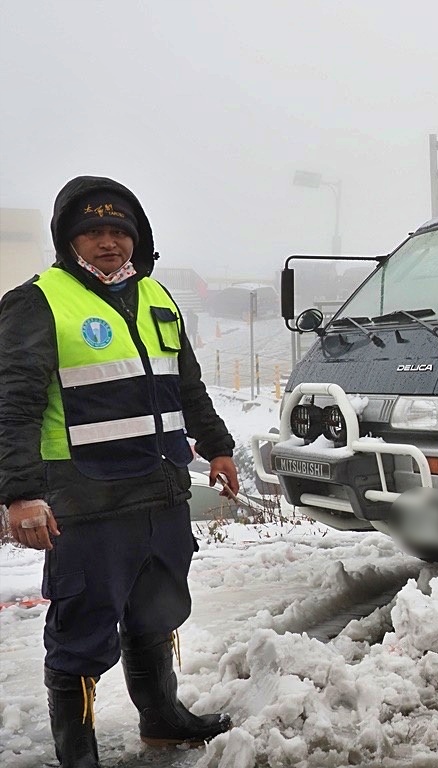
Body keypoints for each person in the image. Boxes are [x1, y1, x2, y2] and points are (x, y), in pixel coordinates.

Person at [0, 176, 239, 766]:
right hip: (88, 498)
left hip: (160, 491)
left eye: (118, 231)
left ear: (136, 238)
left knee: (156, 612)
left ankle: (162, 719)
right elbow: (13, 405)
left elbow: (187, 384)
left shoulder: (157, 296)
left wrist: (218, 446)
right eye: (93, 232)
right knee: (81, 631)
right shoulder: (38, 301)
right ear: (69, 240)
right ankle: (77, 752)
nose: (108, 243)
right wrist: (22, 494)